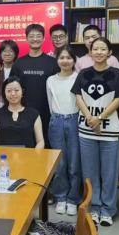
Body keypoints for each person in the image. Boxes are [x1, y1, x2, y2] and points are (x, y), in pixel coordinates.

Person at [72, 37, 119, 227]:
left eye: (103, 49)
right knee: (89, 172)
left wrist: (100, 118)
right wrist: (90, 117)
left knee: (109, 172)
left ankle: (108, 209)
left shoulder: (116, 74)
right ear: (90, 51)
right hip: (86, 129)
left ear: (109, 52)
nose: (99, 52)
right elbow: (78, 96)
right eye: (95, 48)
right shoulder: (84, 73)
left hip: (109, 130)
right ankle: (93, 208)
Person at [46, 45, 80, 216]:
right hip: (56, 121)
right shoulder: (50, 80)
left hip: (74, 120)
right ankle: (61, 197)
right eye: (61, 58)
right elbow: (50, 102)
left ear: (74, 60)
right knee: (60, 163)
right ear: (57, 60)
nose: (65, 61)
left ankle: (73, 198)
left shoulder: (79, 77)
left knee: (74, 163)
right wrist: (56, 118)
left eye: (68, 57)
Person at [10, 24, 59, 144]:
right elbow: (11, 88)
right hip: (23, 113)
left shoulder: (52, 62)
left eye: (38, 36)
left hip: (47, 114)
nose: (35, 39)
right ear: (26, 39)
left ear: (43, 39)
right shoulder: (19, 63)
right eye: (31, 36)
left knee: (46, 146)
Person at [0, 76, 44, 148]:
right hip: (3, 155)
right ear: (4, 93)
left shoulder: (34, 114)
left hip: (27, 155)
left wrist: (34, 154)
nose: (13, 94)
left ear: (22, 92)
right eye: (9, 91)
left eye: (16, 90)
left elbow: (40, 142)